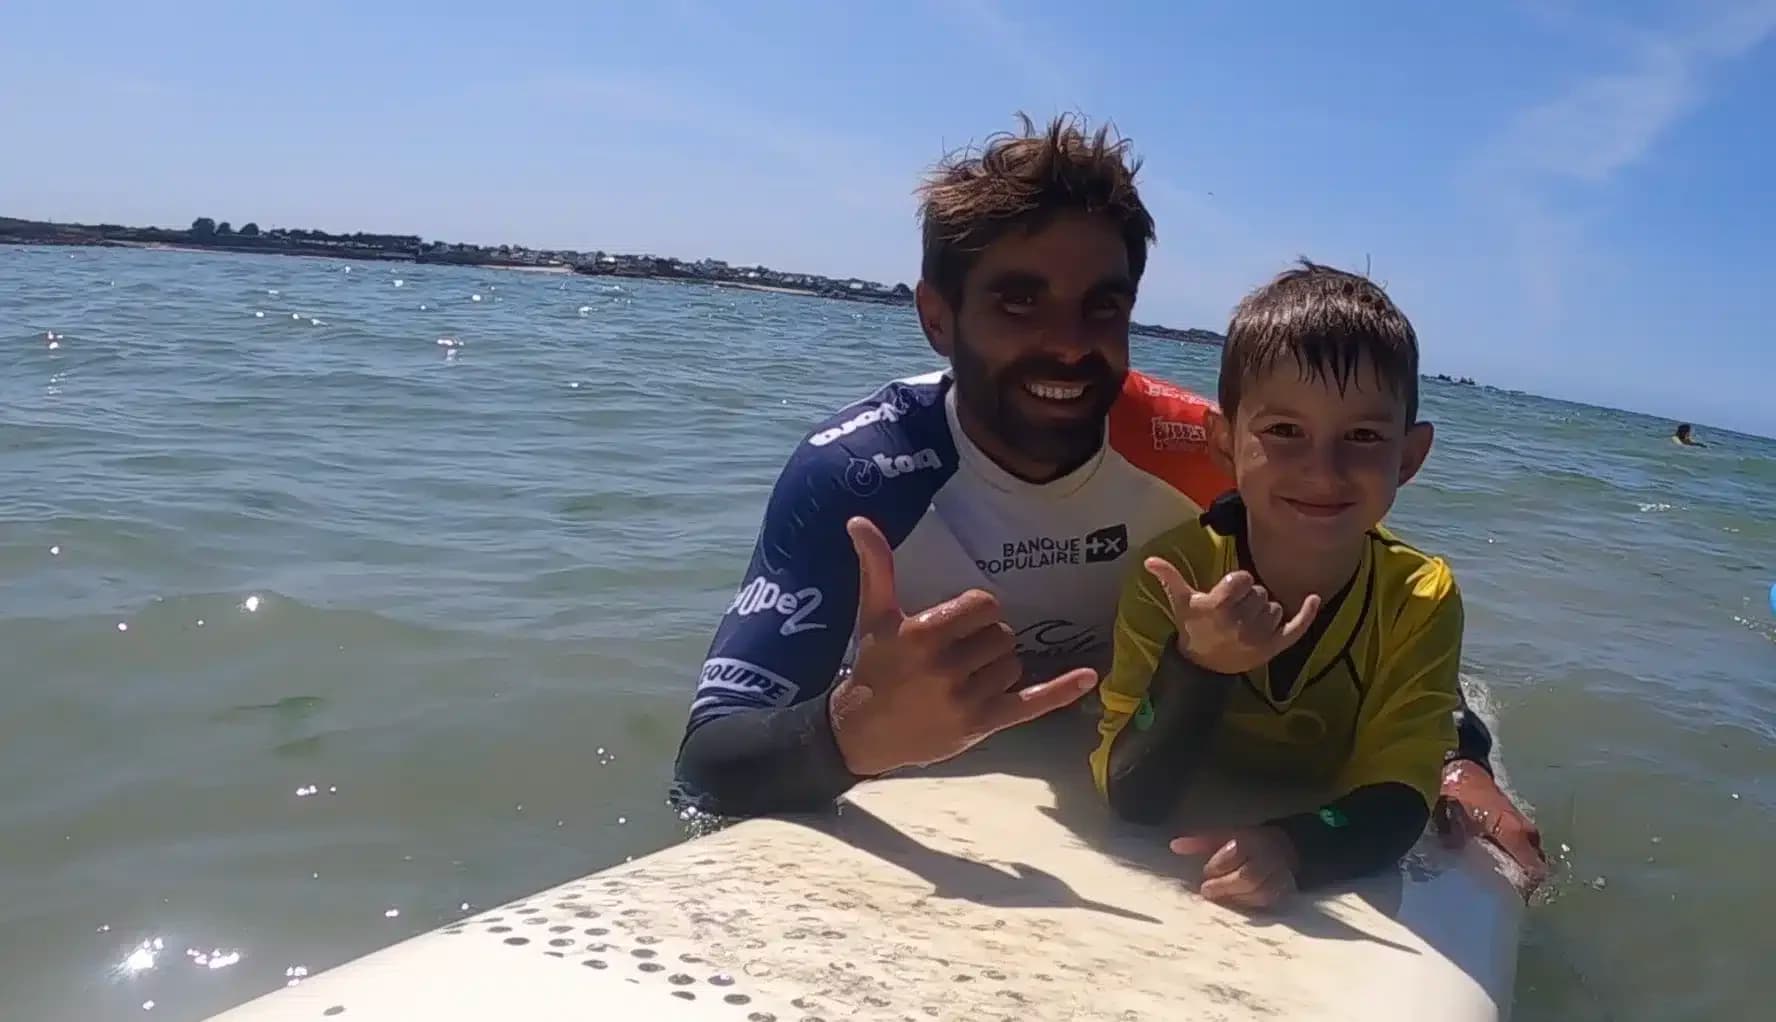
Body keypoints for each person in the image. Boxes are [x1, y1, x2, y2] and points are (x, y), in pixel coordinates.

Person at [668, 112, 1547, 891]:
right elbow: (707, 763)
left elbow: (1358, 573)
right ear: (939, 317)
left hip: (1138, 739)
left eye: (1103, 306)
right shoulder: (860, 478)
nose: (1068, 345)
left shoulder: (1192, 447)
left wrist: (1455, 758)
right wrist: (848, 733)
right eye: (1019, 300)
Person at [1091, 260, 1471, 909]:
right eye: (1285, 431)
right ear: (1222, 444)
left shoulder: (1421, 598)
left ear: (1407, 458)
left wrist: (1295, 845)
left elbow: (1400, 796)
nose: (1323, 471)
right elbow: (1132, 797)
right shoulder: (1172, 577)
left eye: (1362, 436)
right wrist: (1197, 666)